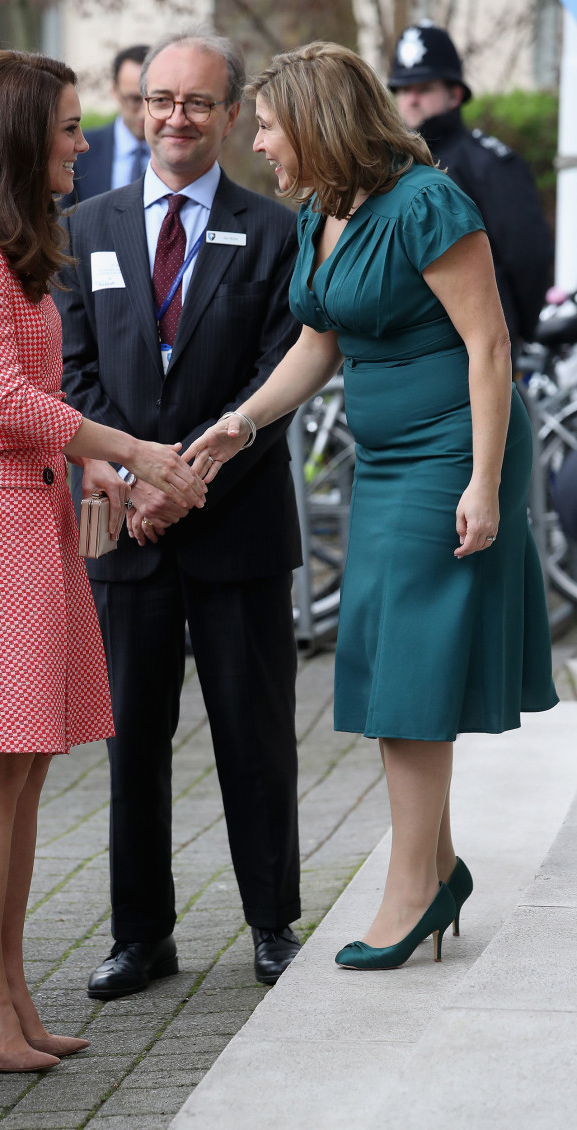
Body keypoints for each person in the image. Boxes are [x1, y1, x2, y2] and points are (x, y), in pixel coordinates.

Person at [184, 41, 558, 971]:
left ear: (315, 122)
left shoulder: (426, 202)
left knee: (413, 667)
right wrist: (242, 422)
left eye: (267, 126)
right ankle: (436, 867)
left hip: (452, 453)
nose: (260, 144)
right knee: (388, 653)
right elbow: (320, 344)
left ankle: (414, 886)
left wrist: (482, 480)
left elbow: (490, 347)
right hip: (386, 459)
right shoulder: (323, 209)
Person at [0, 50, 206, 1072]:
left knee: (25, 765)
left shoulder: (4, 237)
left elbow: (33, 405)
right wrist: (128, 451)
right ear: (17, 133)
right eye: (71, 126)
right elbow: (4, 400)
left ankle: (4, 982)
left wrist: (92, 475)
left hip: (32, 510)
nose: (86, 142)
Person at [55, 29, 304, 998]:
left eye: (198, 102)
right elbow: (67, 372)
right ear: (137, 105)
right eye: (159, 99)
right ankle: (139, 936)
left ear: (233, 114)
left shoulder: (277, 231)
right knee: (131, 747)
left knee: (256, 736)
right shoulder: (85, 223)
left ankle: (273, 924)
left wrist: (181, 480)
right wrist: (127, 478)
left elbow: (271, 385)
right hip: (118, 528)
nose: (175, 117)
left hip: (234, 525)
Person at [388, 22, 553, 352]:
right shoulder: (387, 166)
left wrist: (523, 329)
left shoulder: (489, 164)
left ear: (455, 94)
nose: (411, 99)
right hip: (402, 350)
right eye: (404, 90)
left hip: (477, 349)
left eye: (424, 88)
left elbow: (527, 257)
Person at [72, 44, 150, 201]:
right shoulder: (79, 151)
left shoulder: (178, 151)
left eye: (154, 100)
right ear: (114, 91)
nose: (144, 112)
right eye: (134, 100)